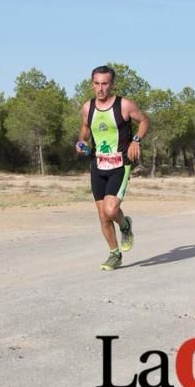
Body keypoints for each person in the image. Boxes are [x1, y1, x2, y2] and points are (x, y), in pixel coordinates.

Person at [77, 65, 150, 270]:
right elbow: (83, 132)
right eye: (97, 83)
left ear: (112, 84)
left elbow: (144, 121)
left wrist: (136, 140)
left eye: (105, 83)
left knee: (111, 210)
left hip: (120, 164)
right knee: (102, 215)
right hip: (97, 164)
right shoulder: (87, 108)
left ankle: (125, 225)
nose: (100, 88)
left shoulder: (124, 105)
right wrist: (81, 143)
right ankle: (114, 254)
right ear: (92, 84)